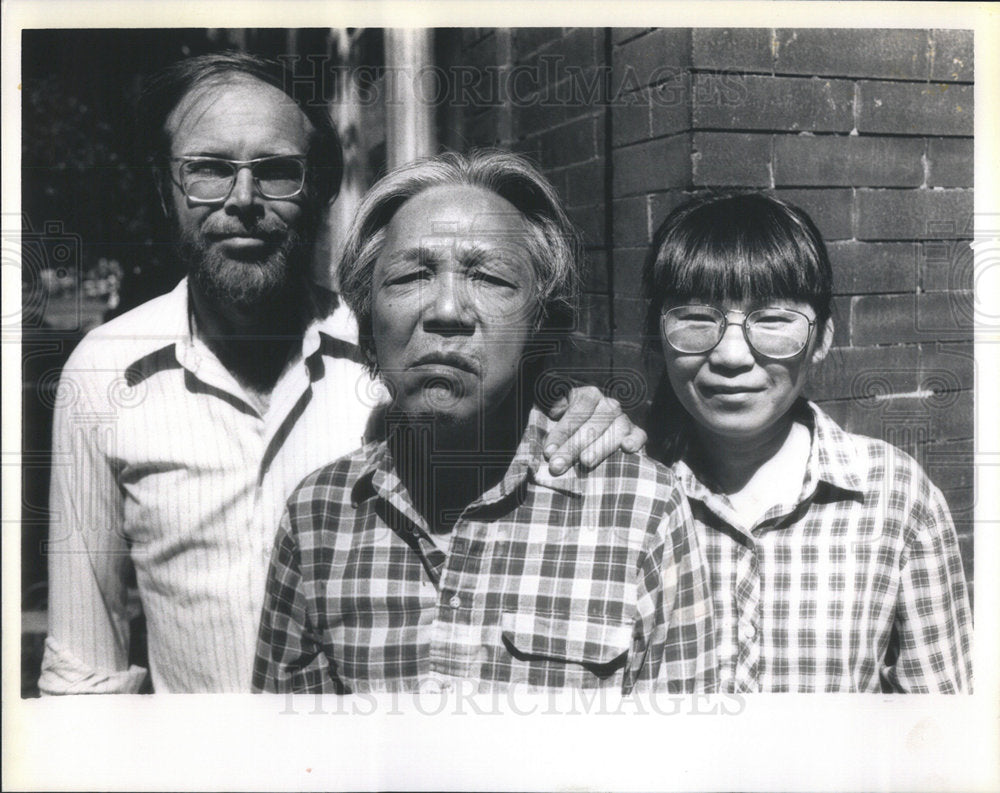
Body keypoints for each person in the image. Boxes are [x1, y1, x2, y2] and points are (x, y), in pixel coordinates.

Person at [39, 53, 645, 695]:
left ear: (323, 191)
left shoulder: (390, 354)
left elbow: (509, 400)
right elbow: (84, 670)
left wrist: (587, 413)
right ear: (167, 190)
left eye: (277, 172)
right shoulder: (105, 375)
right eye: (209, 170)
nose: (242, 200)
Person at [252, 151, 717, 695]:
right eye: (410, 275)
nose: (448, 310)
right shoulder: (319, 518)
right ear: (367, 317)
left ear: (542, 322)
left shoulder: (641, 510)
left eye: (490, 277)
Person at [642, 192, 973, 693]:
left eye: (772, 319)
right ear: (655, 337)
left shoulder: (897, 498)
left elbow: (940, 734)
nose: (732, 355)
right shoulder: (619, 492)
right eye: (696, 317)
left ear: (822, 340)